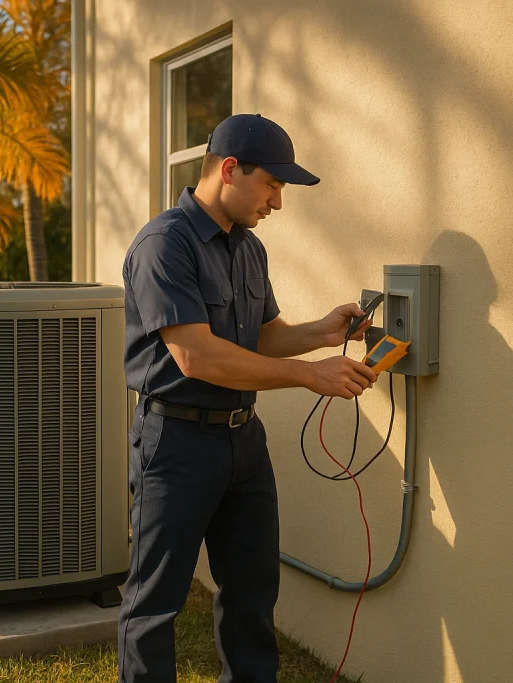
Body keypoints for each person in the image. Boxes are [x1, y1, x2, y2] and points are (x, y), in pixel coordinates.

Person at [117, 113, 378, 682]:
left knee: (252, 595)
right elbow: (198, 356)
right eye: (273, 185)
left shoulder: (247, 248)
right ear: (230, 169)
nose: (277, 203)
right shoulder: (165, 244)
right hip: (175, 445)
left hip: (243, 444)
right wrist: (310, 375)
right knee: (154, 606)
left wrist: (323, 331)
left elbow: (262, 335)